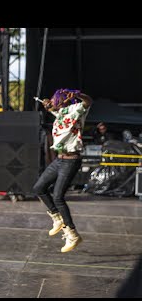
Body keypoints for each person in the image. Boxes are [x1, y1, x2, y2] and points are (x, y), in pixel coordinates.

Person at [33, 89, 92, 253]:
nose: (52, 100)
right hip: (59, 159)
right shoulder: (61, 112)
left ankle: (72, 234)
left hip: (71, 160)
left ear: (64, 100)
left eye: (54, 99)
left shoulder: (76, 109)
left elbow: (88, 101)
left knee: (58, 196)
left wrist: (78, 94)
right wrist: (47, 104)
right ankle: (57, 218)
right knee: (39, 188)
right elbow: (51, 107)